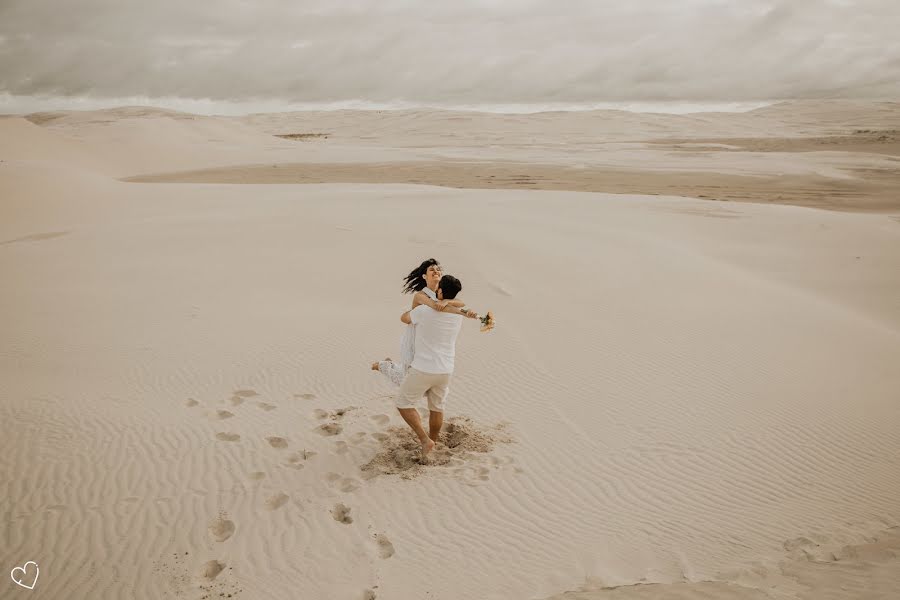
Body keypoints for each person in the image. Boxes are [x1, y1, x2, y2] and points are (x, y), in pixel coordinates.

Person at [394, 274, 471, 459]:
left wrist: (422, 303)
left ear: (441, 291)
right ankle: (433, 442)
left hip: (423, 368)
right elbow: (460, 306)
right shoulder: (457, 316)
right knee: (437, 407)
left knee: (403, 404)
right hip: (446, 369)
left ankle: (425, 439)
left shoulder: (424, 311)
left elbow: (404, 318)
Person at [371, 259, 482, 385]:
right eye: (432, 269)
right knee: (407, 381)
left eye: (438, 269)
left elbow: (461, 302)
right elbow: (435, 306)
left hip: (427, 338)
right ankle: (383, 366)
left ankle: (393, 366)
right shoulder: (421, 295)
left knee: (415, 379)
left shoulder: (442, 294)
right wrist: (461, 311)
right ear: (424, 276)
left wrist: (448, 302)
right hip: (414, 336)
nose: (436, 271)